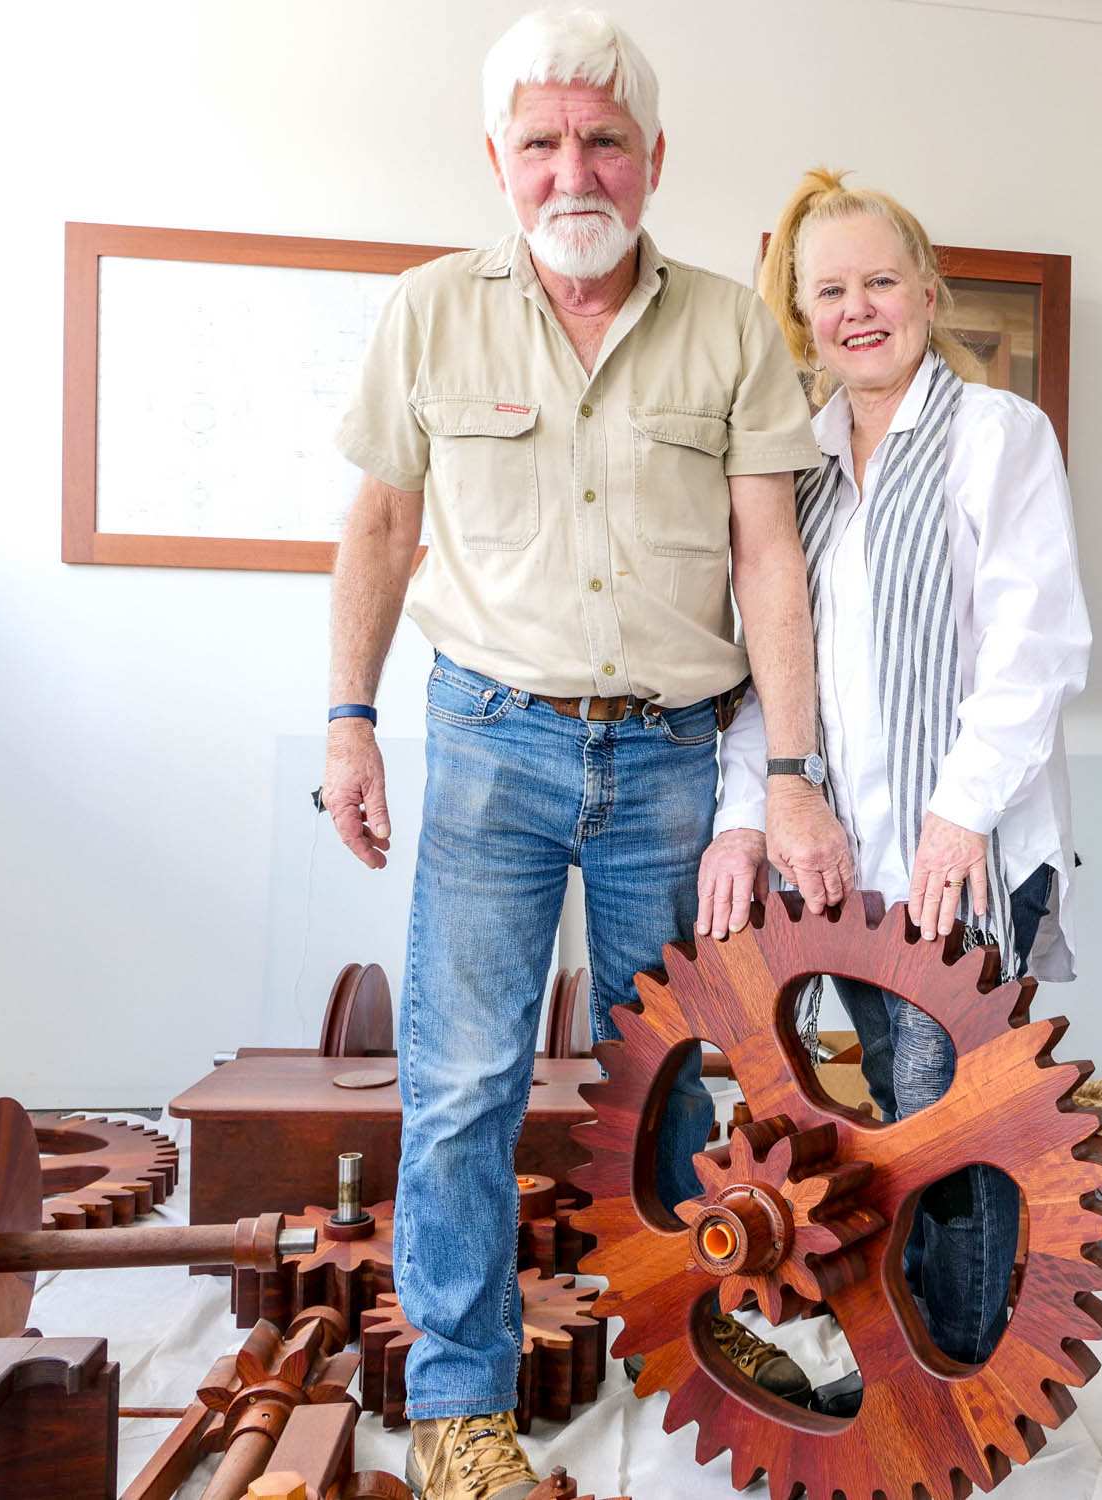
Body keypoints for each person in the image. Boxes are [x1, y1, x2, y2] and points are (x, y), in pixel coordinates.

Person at [321, 13, 853, 1496]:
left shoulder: (731, 329)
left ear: (653, 158)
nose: (575, 170)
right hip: (489, 743)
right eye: (544, 142)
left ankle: (690, 1347)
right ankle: (461, 1407)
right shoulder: (428, 313)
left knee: (676, 1075)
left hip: (674, 762)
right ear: (498, 158)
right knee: (462, 1085)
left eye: (604, 141)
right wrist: (349, 718)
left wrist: (792, 772)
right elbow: (380, 526)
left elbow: (769, 557)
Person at [704, 169, 1091, 1367]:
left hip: (965, 850)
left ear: (928, 291)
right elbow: (766, 673)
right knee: (882, 1103)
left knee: (949, 1124)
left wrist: (957, 814)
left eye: (880, 280)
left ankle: (959, 1377)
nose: (857, 308)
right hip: (847, 862)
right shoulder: (795, 466)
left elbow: (1036, 648)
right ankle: (910, 1347)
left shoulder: (996, 437)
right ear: (802, 315)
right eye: (830, 291)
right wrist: (742, 819)